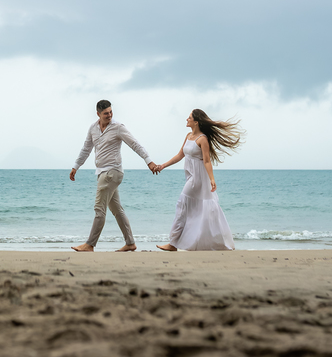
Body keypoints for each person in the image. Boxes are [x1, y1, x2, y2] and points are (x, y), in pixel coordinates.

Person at [70, 99, 160, 252]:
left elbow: (134, 144)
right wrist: (76, 166)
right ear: (98, 114)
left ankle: (90, 244)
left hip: (112, 172)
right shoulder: (93, 128)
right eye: (106, 113)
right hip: (102, 173)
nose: (109, 115)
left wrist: (148, 161)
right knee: (117, 209)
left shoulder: (118, 127)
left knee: (99, 209)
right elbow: (86, 149)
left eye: (111, 112)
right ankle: (130, 243)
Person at [154, 109, 242, 251]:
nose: (186, 119)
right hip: (190, 176)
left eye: (189, 118)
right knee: (194, 208)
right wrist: (163, 165)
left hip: (198, 178)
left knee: (182, 204)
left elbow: (207, 161)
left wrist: (212, 179)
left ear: (196, 122)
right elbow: (179, 155)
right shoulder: (188, 136)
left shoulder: (202, 139)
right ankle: (211, 240)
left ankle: (173, 243)